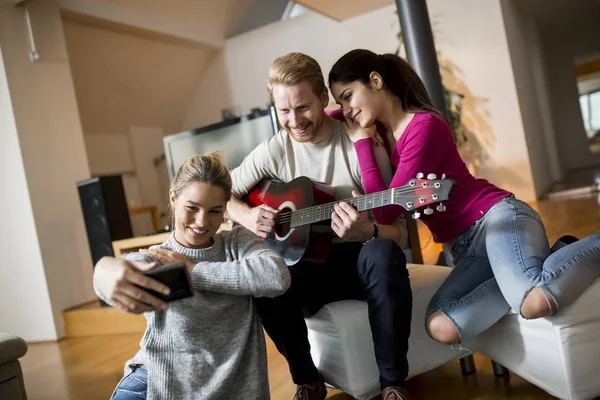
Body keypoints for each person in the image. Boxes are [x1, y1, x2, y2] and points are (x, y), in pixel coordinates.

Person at [328, 48, 600, 346]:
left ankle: (546, 263)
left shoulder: (422, 126)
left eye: (348, 96)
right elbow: (325, 117)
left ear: (376, 81)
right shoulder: (383, 128)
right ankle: (546, 256)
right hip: (464, 249)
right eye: (340, 102)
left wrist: (362, 144)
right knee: (441, 325)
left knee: (533, 303)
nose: (346, 110)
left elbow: (386, 213)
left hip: (496, 219)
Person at [226, 53, 413, 400]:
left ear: (323, 99)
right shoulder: (275, 150)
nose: (294, 120)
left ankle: (392, 384)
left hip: (356, 263)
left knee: (383, 253)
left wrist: (368, 232)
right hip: (305, 269)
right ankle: (307, 381)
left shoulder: (360, 142)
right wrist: (247, 215)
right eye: (284, 111)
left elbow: (399, 231)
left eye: (303, 107)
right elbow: (223, 194)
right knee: (264, 278)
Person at [93, 153, 291, 400]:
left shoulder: (237, 244)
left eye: (215, 211)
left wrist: (193, 271)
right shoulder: (160, 257)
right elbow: (125, 269)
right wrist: (103, 270)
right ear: (173, 198)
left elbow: (276, 276)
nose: (202, 221)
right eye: (192, 208)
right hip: (159, 386)